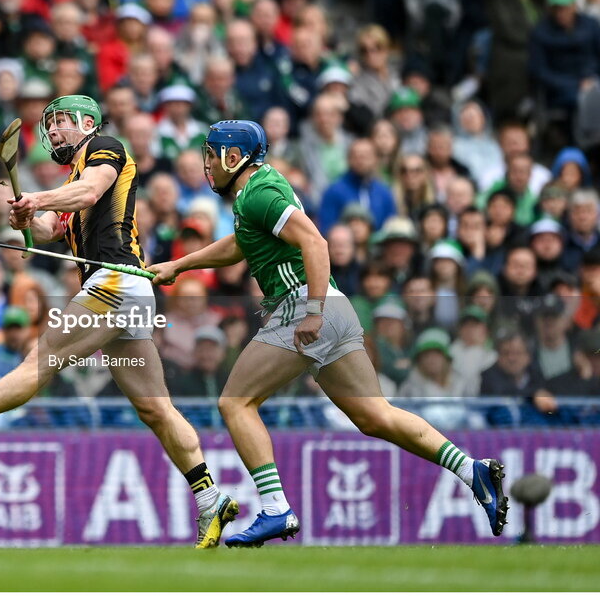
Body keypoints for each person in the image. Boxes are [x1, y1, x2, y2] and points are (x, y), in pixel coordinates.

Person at [147, 120, 508, 546]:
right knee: (376, 416)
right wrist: (179, 265)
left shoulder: (259, 193)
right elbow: (241, 244)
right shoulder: (255, 193)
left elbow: (316, 243)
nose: (207, 162)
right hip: (334, 307)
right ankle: (472, 470)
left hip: (304, 305)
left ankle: (276, 508)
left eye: (211, 153)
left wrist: (312, 311)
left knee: (235, 402)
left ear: (233, 156)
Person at [0, 94, 238, 548]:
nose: (53, 132)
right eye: (50, 124)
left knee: (41, 359)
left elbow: (91, 192)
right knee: (155, 408)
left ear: (86, 123)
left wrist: (37, 197)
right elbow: (50, 230)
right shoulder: (72, 178)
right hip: (129, 293)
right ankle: (210, 498)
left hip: (114, 283)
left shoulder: (106, 149)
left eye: (60, 122)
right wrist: (26, 212)